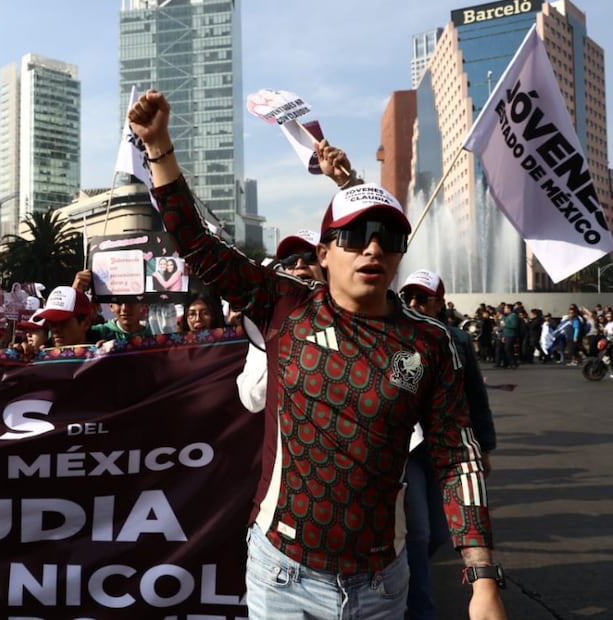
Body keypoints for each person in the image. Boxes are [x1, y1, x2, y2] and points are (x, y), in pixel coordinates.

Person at [128, 89, 504, 619]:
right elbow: (198, 245)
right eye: (354, 236)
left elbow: (456, 454)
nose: (372, 248)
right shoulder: (283, 306)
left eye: (389, 237)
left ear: (400, 253)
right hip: (282, 576)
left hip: (381, 582)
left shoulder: (430, 343)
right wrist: (160, 148)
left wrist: (482, 577)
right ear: (324, 254)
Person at [400, 269, 498, 620]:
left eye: (422, 298)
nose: (413, 304)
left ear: (439, 303)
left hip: (446, 451)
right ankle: (418, 609)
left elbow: (475, 396)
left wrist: (483, 446)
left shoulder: (456, 339)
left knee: (440, 533)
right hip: (408, 450)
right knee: (419, 531)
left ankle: (402, 575)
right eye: (407, 297)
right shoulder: (397, 336)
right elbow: (395, 397)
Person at [236, 230, 325, 414]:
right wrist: (282, 348)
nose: (300, 265)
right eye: (290, 261)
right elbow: (251, 399)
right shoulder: (270, 326)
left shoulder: (350, 317)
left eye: (310, 257)